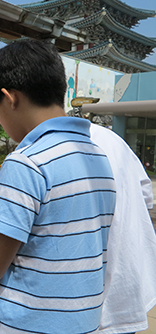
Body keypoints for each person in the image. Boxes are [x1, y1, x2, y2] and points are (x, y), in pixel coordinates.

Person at [0, 39, 116, 333]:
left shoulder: (26, 162)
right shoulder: (96, 155)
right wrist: (1, 191)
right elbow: (55, 219)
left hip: (18, 324)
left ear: (10, 98)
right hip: (79, 323)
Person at [89, 123, 156, 333]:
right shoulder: (112, 139)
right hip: (129, 284)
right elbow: (147, 197)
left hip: (85, 300)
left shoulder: (42, 151)